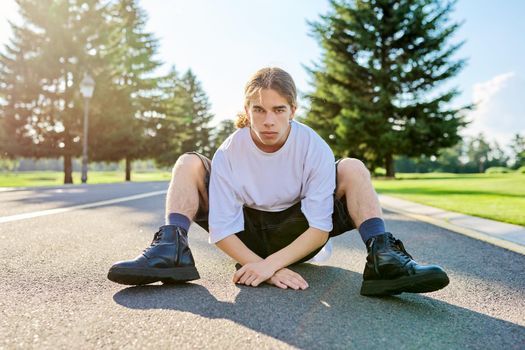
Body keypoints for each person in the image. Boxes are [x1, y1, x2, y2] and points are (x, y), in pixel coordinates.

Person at [107, 67, 449, 296]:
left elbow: (318, 228)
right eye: (258, 109)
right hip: (245, 232)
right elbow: (222, 230)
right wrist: (267, 269)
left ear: (293, 110)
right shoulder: (229, 152)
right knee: (189, 163)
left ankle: (383, 259)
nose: (268, 121)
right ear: (246, 108)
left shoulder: (313, 146)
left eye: (278, 110)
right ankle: (172, 251)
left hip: (299, 233)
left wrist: (267, 266)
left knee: (352, 167)